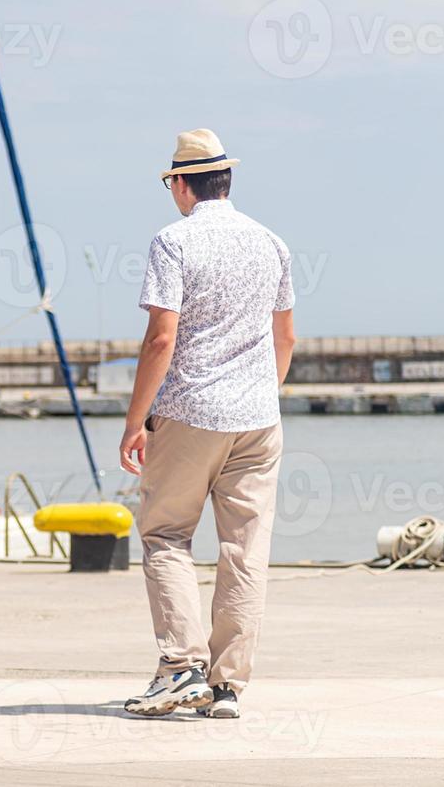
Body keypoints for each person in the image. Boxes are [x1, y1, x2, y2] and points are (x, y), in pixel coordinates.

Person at [119, 128, 296, 719]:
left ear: (182, 184)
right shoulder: (271, 243)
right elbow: (286, 336)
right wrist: (259, 394)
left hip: (191, 411)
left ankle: (180, 668)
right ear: (229, 180)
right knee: (245, 551)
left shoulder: (173, 242)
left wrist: (135, 420)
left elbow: (161, 338)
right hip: (259, 419)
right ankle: (226, 688)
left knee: (165, 535)